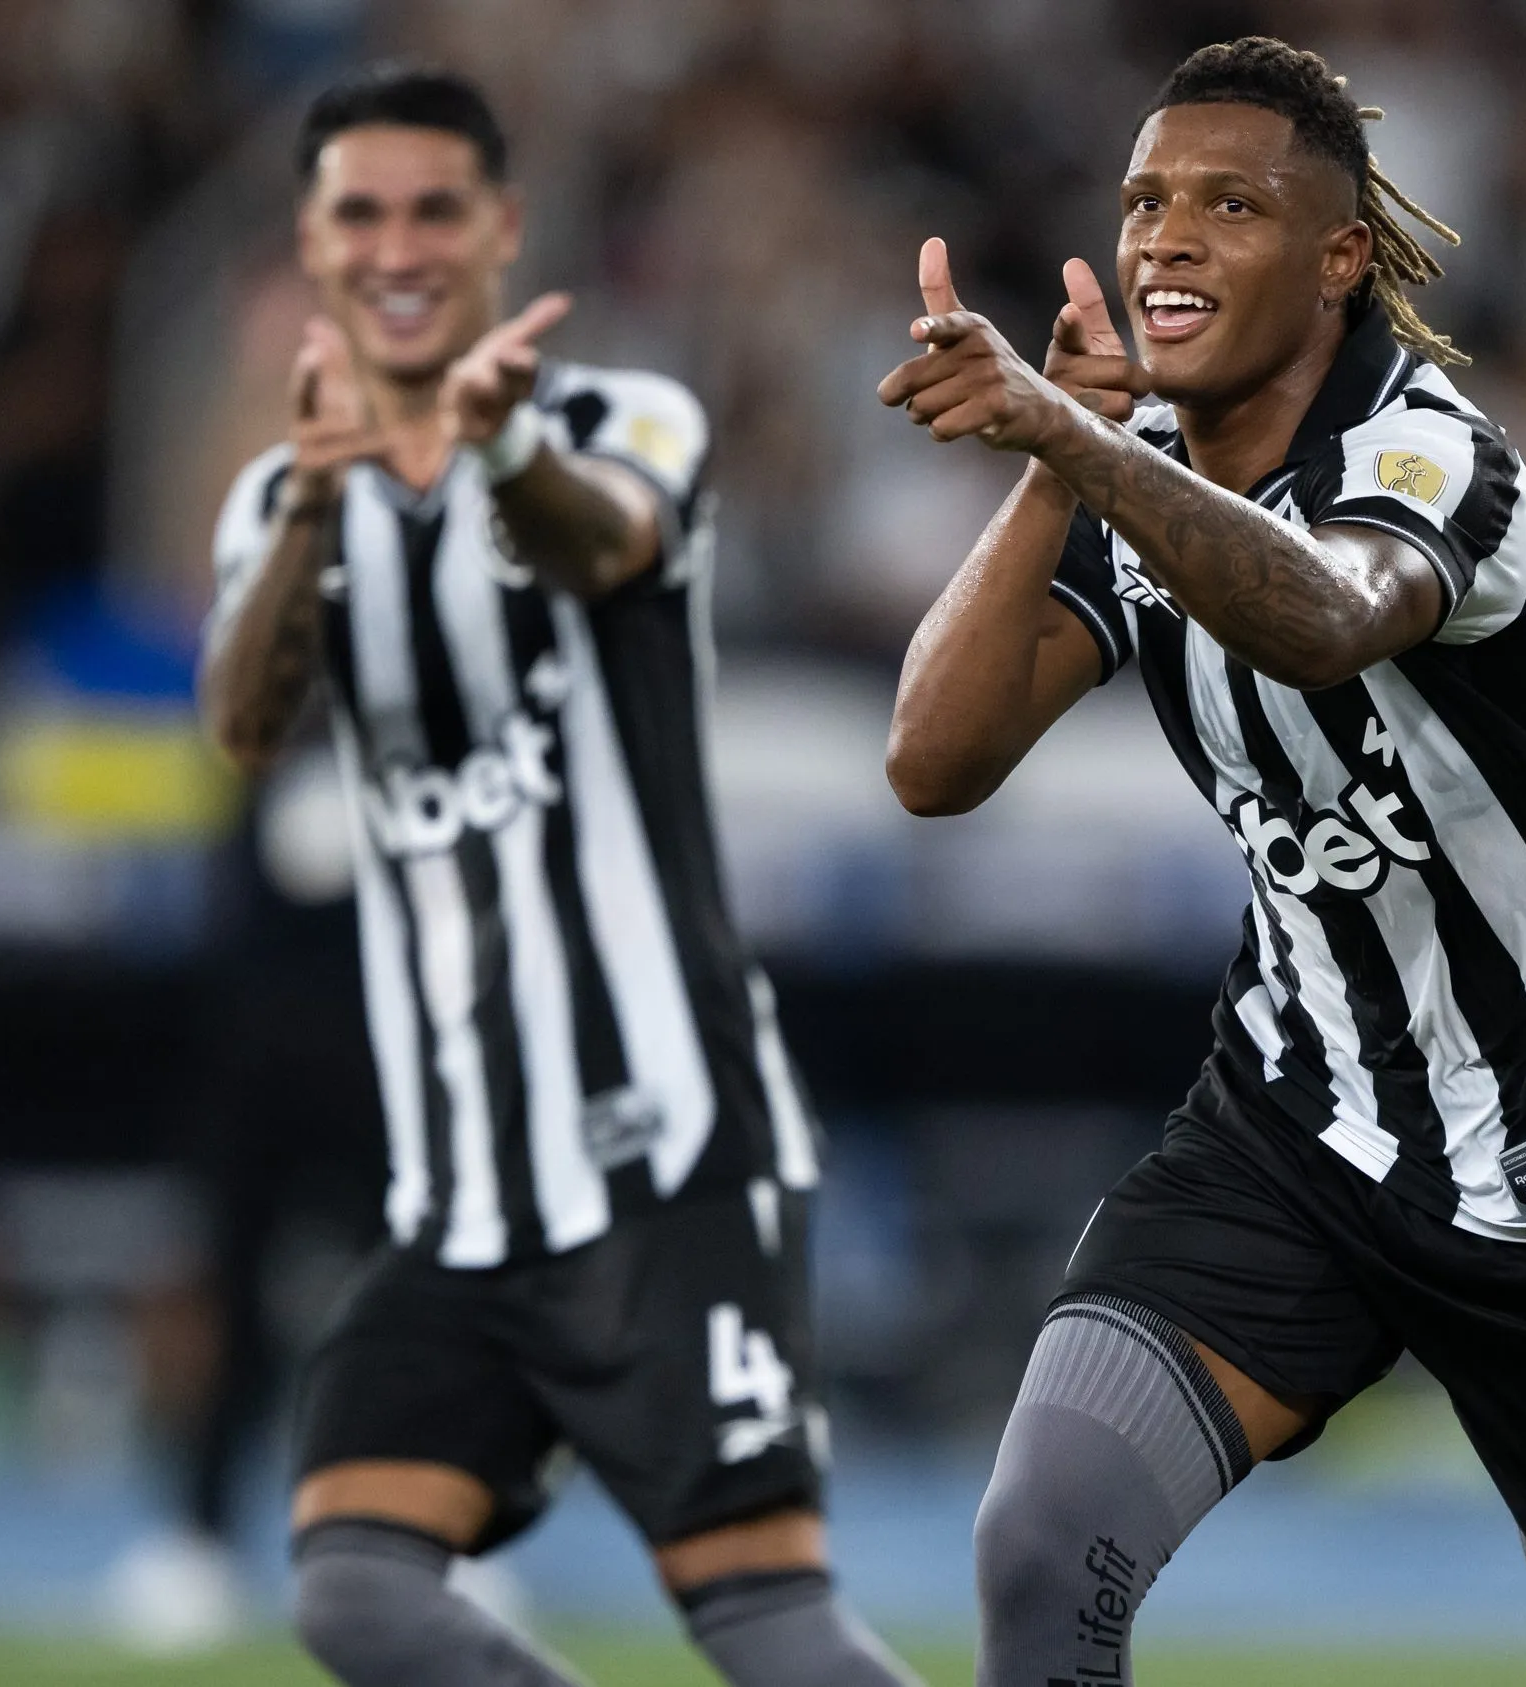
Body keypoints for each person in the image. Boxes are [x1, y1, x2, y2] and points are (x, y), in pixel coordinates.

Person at [877, 36, 1526, 1687]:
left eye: (1228, 204)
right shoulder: (1138, 475)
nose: (1165, 238)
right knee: (1042, 1547)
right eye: (1145, 202)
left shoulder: (1440, 454)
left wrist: (1087, 444)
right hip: (1298, 1117)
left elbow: (1327, 617)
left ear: (1340, 260)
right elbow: (932, 761)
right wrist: (1061, 458)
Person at [200, 63, 918, 1687]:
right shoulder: (279, 500)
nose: (399, 244)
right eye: (359, 212)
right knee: (358, 1592)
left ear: (504, 228)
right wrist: (317, 502)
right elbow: (245, 722)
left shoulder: (622, 416)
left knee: (765, 1617)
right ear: (312, 246)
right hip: (458, 1199)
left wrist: (498, 440)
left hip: (667, 1162)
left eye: (434, 207)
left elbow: (603, 545)